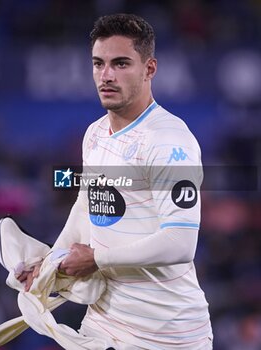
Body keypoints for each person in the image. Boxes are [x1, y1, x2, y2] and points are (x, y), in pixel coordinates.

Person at [19, 13, 213, 350]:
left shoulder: (169, 141)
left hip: (167, 335)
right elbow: (86, 204)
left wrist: (96, 259)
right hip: (103, 322)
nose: (106, 75)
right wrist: (50, 263)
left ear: (149, 69)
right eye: (99, 64)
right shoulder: (94, 134)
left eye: (121, 64)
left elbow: (181, 243)